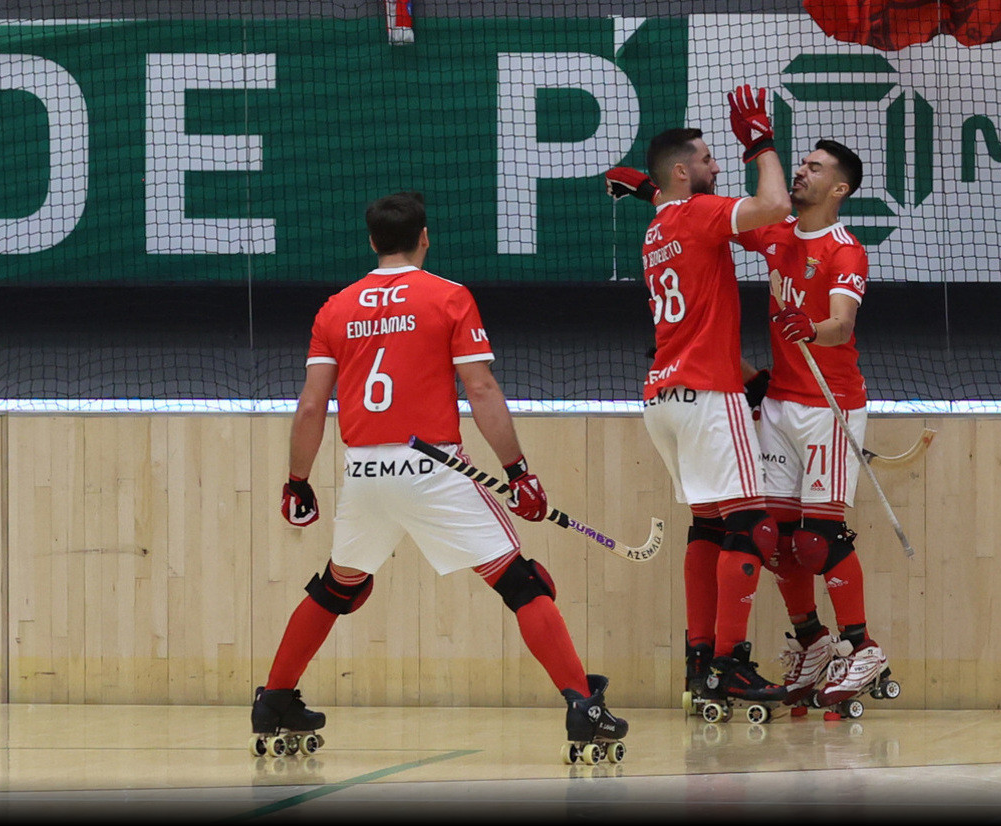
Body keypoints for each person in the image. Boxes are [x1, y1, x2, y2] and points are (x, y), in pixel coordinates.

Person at [253, 191, 628, 756]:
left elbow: (311, 406)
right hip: (433, 467)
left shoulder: (336, 306)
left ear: (372, 242)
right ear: (425, 237)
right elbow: (480, 388)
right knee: (522, 582)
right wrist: (517, 470)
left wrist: (297, 481)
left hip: (365, 471)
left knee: (337, 586)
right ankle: (583, 704)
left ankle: (274, 700)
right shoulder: (449, 297)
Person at [604, 85, 792, 712]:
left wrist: (642, 189)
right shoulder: (700, 214)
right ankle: (729, 665)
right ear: (684, 171)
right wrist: (761, 142)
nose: (719, 168)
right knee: (753, 524)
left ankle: (700, 663)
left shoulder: (658, 229)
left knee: (708, 525)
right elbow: (774, 203)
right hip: (709, 398)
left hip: (663, 395)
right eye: (710, 160)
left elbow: (701, 314)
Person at [732, 139, 891, 714]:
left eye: (814, 168)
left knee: (815, 540)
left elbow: (842, 326)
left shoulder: (846, 251)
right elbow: (718, 220)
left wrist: (810, 326)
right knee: (773, 539)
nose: (801, 172)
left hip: (831, 406)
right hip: (778, 400)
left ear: (839, 189)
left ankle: (863, 647)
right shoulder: (775, 233)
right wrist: (656, 192)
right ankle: (813, 642)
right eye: (801, 164)